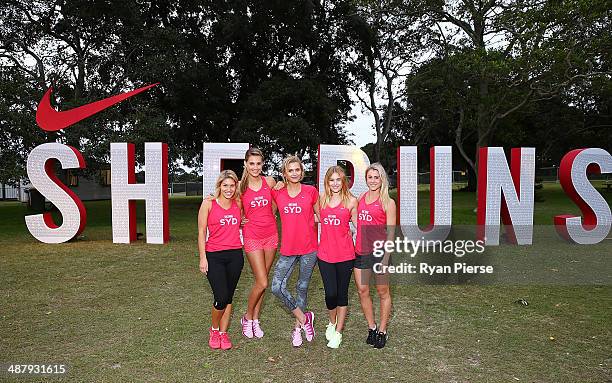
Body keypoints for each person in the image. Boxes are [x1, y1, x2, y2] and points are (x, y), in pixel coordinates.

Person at [270, 155, 319, 347]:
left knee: (302, 287)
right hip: (288, 249)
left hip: (309, 248)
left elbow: (321, 215)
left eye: (297, 169)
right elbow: (269, 213)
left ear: (302, 171)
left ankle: (297, 329)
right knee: (277, 287)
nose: (294, 173)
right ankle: (305, 318)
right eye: (290, 170)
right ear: (284, 173)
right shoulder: (278, 193)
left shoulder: (311, 191)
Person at [198, 170, 244, 350]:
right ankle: (214, 329)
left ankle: (224, 334)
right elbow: (201, 232)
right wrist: (203, 258)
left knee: (229, 297)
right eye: (225, 185)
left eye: (232, 185)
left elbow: (240, 220)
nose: (229, 189)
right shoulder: (208, 204)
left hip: (235, 255)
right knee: (221, 297)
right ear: (219, 186)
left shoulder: (238, 203)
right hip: (214, 255)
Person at [354, 163, 396, 349]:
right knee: (363, 291)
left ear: (382, 179)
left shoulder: (388, 202)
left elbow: (391, 233)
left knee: (382, 292)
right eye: (370, 177)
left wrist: (386, 258)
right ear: (366, 179)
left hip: (380, 253)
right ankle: (372, 327)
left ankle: (383, 330)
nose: (372, 180)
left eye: (376, 177)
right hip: (361, 252)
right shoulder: (361, 198)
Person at [238, 148, 278, 339]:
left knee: (263, 281)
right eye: (251, 163)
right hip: (252, 235)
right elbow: (226, 202)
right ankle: (247, 317)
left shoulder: (269, 182)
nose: (255, 167)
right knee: (261, 282)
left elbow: (283, 195)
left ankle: (255, 320)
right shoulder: (239, 186)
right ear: (245, 164)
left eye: (258, 163)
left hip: (271, 235)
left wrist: (274, 210)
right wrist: (240, 219)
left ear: (263, 164)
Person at [317, 166, 358, 348]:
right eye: (331, 180)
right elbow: (310, 216)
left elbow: (360, 226)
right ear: (327, 182)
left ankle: (339, 332)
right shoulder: (322, 200)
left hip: (346, 255)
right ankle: (332, 322)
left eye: (338, 180)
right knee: (330, 295)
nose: (335, 183)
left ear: (344, 181)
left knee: (342, 295)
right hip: (325, 255)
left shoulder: (351, 201)